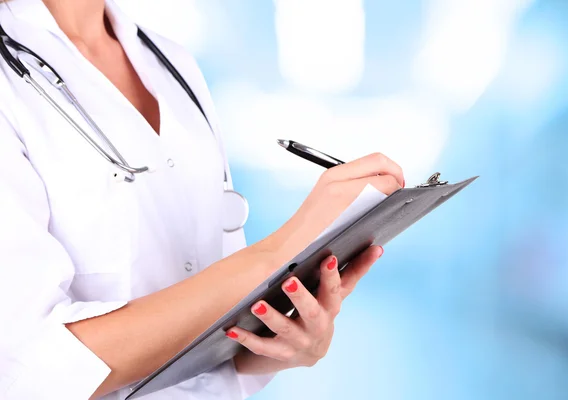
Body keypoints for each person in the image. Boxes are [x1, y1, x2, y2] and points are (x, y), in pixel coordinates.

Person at [0, 0, 405, 399]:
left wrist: (283, 343)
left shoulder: (171, 62)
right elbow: (30, 367)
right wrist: (284, 247)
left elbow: (224, 320)